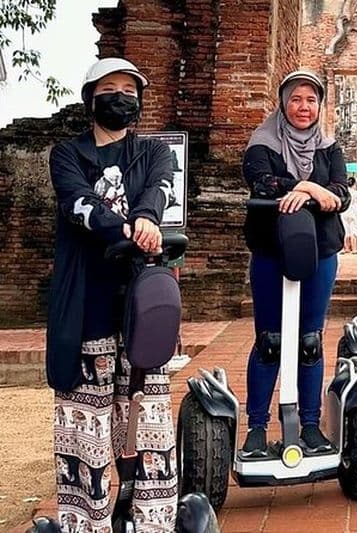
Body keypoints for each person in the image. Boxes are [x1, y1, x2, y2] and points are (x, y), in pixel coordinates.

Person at [46, 57, 177, 531]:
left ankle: (153, 518)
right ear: (91, 98)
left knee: (149, 412)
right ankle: (88, 519)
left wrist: (145, 218)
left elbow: (160, 191)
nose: (122, 95)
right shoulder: (67, 153)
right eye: (111, 88)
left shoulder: (154, 153)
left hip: (142, 304)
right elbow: (77, 202)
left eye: (130, 88)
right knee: (89, 421)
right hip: (86, 304)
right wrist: (122, 225)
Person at [241, 70, 350, 456]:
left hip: (320, 251)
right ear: (283, 102)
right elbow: (262, 183)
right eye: (296, 99)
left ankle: (309, 424)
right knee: (270, 340)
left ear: (320, 105)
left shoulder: (329, 146)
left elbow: (342, 193)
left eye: (311, 100)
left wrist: (315, 189)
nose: (304, 107)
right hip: (271, 250)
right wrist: (308, 188)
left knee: (309, 341)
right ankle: (256, 427)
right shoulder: (263, 142)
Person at [341, 176, 357, 253]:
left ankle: (346, 248)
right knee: (354, 230)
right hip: (353, 211)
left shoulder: (344, 192)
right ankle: (354, 248)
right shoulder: (356, 192)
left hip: (344, 212)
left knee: (346, 230)